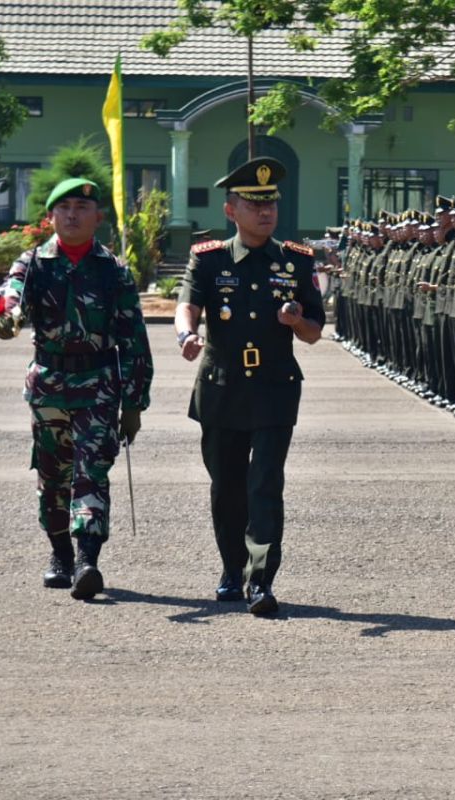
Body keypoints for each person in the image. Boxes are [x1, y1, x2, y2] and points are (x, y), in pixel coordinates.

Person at [175, 157, 325, 616]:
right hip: (222, 388)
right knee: (227, 487)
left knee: (265, 484)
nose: (266, 213)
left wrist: (297, 320)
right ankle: (231, 567)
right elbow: (187, 304)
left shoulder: (296, 262)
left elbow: (315, 331)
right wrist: (187, 335)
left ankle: (260, 580)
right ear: (230, 211)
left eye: (271, 204)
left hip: (274, 389)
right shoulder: (209, 258)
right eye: (254, 204)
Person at [0, 176, 153, 600]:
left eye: (82, 208)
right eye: (64, 208)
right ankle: (59, 555)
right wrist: (6, 318)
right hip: (48, 387)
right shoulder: (34, 263)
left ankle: (87, 560)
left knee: (92, 471)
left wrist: (134, 403)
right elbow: (11, 295)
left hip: (99, 387)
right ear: (50, 217)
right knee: (52, 474)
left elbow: (134, 337)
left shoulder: (113, 270)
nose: (72, 214)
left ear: (97, 217)